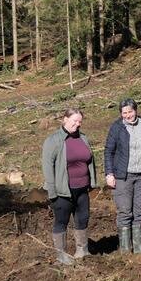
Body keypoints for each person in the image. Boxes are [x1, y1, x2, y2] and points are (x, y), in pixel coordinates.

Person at [104, 98, 141, 255]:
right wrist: (109, 173)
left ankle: (138, 247)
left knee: (139, 211)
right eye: (124, 113)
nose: (128, 115)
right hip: (123, 176)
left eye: (130, 111)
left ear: (135, 111)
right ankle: (124, 249)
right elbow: (109, 151)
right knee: (125, 211)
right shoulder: (117, 128)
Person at [41, 108, 97, 265]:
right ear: (65, 119)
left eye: (80, 121)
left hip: (82, 189)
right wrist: (52, 192)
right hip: (63, 191)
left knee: (82, 219)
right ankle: (61, 255)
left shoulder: (83, 138)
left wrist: (92, 182)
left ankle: (82, 250)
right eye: (75, 121)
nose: (78, 124)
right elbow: (47, 167)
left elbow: (90, 161)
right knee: (61, 222)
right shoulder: (53, 141)